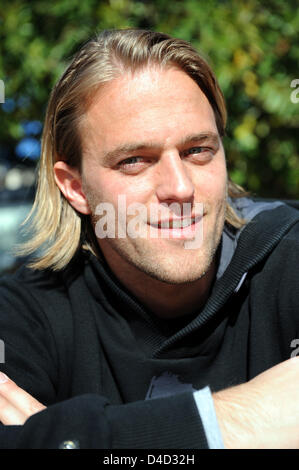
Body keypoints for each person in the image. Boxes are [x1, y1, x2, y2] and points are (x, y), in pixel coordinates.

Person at [0, 28, 298, 450]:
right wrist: (241, 421)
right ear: (76, 188)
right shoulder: (24, 315)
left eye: (197, 150)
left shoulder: (288, 258)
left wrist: (68, 437)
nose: (179, 187)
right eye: (135, 161)